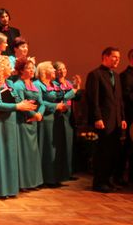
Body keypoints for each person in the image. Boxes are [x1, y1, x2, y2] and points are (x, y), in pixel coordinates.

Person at [0, 55, 37, 197]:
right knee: (1, 154)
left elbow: (16, 100)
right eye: (9, 66)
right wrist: (18, 106)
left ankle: (9, 188)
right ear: (1, 68)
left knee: (10, 155)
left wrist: (24, 105)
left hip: (10, 123)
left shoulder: (9, 82)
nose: (11, 68)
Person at [85, 47, 127, 193]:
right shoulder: (95, 75)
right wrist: (97, 117)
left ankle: (108, 180)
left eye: (119, 58)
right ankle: (99, 182)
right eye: (114, 57)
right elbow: (93, 99)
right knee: (103, 152)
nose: (117, 60)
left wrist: (122, 117)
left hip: (116, 120)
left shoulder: (116, 76)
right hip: (103, 120)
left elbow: (119, 100)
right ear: (105, 56)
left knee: (113, 152)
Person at [35, 61, 71, 186]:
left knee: (56, 150)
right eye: (51, 68)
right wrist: (55, 106)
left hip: (57, 120)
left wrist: (65, 101)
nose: (54, 70)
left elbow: (62, 96)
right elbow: (40, 102)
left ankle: (56, 177)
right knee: (47, 150)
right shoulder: (37, 85)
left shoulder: (54, 84)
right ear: (44, 71)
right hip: (46, 120)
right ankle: (46, 179)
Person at [12, 59, 45, 190]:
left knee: (32, 152)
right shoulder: (18, 85)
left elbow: (42, 103)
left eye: (33, 67)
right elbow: (21, 104)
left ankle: (33, 182)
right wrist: (34, 115)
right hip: (23, 122)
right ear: (21, 70)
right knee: (24, 153)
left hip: (34, 122)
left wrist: (39, 114)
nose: (32, 70)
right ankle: (24, 183)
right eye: (29, 68)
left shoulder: (34, 85)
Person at [52, 61, 81, 181]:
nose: (62, 71)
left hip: (69, 115)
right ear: (55, 71)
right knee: (61, 145)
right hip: (59, 115)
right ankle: (60, 173)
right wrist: (73, 90)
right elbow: (61, 97)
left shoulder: (68, 83)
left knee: (69, 145)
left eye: (64, 68)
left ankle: (68, 172)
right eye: (59, 69)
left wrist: (77, 87)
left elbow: (77, 97)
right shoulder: (53, 84)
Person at [117, 50, 133, 185]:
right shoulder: (125, 76)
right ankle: (120, 177)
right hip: (129, 117)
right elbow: (126, 97)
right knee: (127, 148)